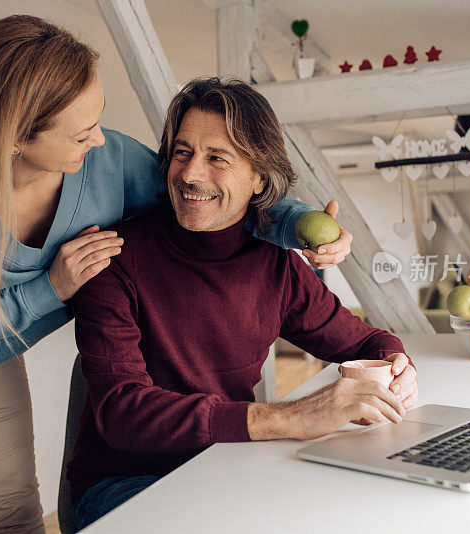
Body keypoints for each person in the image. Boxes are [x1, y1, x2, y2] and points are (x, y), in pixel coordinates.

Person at [0, 15, 350, 534]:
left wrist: (300, 225)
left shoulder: (110, 162)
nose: (101, 139)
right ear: (16, 137)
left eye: (97, 119)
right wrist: (52, 287)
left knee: (13, 504)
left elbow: (208, 190)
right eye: (82, 132)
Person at [68, 77, 418, 530]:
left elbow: (366, 341)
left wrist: (397, 364)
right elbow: (124, 414)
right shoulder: (112, 259)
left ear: (260, 177)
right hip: (122, 486)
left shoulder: (275, 265)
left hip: (225, 468)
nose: (191, 174)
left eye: (217, 158)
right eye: (182, 152)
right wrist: (291, 416)